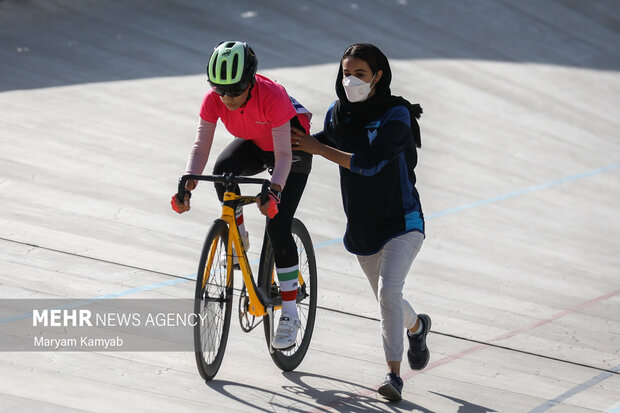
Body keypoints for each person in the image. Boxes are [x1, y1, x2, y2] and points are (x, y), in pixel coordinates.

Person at [292, 43, 429, 401]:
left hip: (402, 221)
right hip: (363, 227)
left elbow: (369, 163)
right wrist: (287, 144)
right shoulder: (339, 114)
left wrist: (317, 148)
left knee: (387, 293)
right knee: (390, 300)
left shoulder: (396, 115)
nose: (350, 80)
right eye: (346, 73)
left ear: (378, 76)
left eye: (360, 74)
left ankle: (393, 376)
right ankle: (417, 327)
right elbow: (319, 142)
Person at [171, 41, 313, 350]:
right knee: (223, 171)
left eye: (235, 91)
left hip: (292, 148)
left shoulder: (272, 96)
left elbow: (284, 157)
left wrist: (274, 191)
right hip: (256, 142)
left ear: (250, 82)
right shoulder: (214, 100)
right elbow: (201, 147)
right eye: (221, 90)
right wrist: (187, 181)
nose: (228, 98)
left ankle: (290, 313)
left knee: (278, 225)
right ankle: (239, 232)